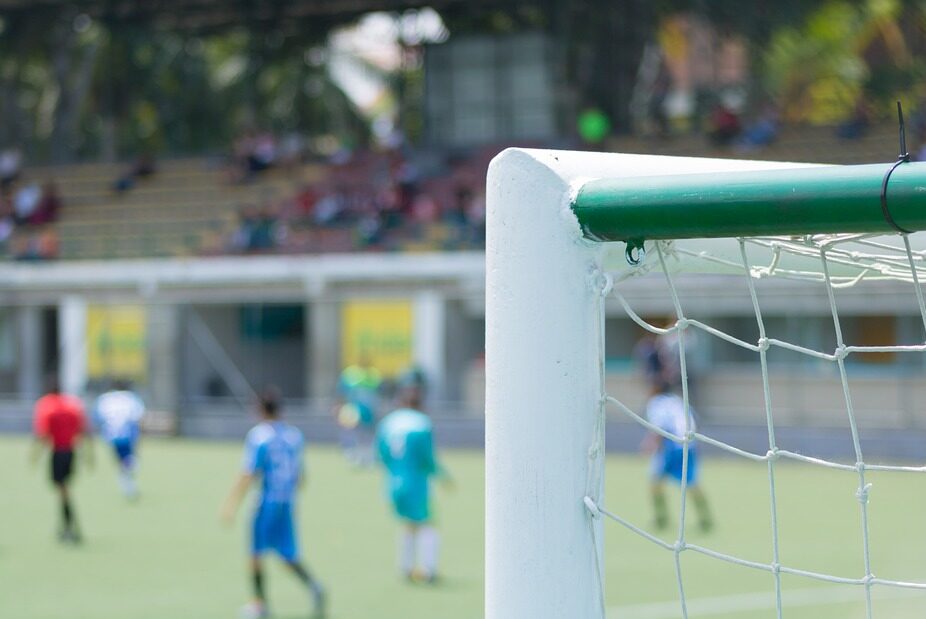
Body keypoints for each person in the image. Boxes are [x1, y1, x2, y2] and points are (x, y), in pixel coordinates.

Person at [221, 388, 326, 619]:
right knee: (287, 553)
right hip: (286, 503)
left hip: (265, 503)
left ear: (260, 410)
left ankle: (259, 605)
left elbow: (249, 473)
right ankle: (314, 586)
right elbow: (300, 477)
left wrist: (231, 504)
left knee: (256, 554)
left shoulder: (259, 436)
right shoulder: (293, 435)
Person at [376, 387, 450, 582]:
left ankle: (406, 567)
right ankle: (429, 569)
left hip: (393, 482)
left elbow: (381, 455)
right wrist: (443, 476)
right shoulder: (421, 423)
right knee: (427, 524)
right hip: (416, 483)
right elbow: (428, 458)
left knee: (408, 524)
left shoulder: (388, 422)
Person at [641, 381, 712, 532]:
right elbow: (694, 421)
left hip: (670, 445)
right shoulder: (678, 400)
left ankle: (661, 519)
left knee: (655, 482)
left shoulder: (656, 403)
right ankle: (706, 519)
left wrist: (651, 443)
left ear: (656, 388)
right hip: (688, 444)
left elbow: (661, 426)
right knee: (691, 482)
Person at [31, 376, 91, 544]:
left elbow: (43, 433)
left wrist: (35, 455)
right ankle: (66, 526)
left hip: (58, 451)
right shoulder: (72, 404)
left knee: (62, 489)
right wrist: (88, 454)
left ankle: (70, 527)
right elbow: (83, 429)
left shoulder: (46, 405)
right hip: (70, 450)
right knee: (63, 488)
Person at [93, 379, 146, 499]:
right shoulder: (131, 398)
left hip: (111, 435)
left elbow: (98, 417)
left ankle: (126, 479)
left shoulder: (104, 399)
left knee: (122, 461)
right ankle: (127, 478)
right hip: (128, 435)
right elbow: (139, 416)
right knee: (130, 460)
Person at [334, 357, 382, 466]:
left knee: (368, 433)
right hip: (353, 409)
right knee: (350, 430)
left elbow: (378, 392)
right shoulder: (350, 373)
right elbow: (342, 391)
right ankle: (351, 452)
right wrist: (339, 405)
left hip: (369, 410)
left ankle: (367, 455)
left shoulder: (373, 374)